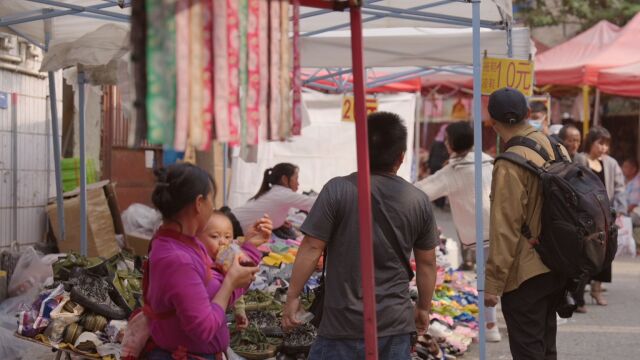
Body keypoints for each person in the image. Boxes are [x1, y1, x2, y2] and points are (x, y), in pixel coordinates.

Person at [282, 112, 439, 360]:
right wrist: (423, 307)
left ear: (360, 151)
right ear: (401, 157)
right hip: (394, 324)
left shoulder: (336, 190)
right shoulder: (417, 200)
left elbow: (312, 246)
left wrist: (292, 297)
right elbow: (427, 263)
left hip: (341, 324)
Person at [146, 163, 270, 359]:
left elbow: (225, 284)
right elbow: (203, 329)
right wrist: (230, 284)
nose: (213, 207)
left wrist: (250, 246)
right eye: (212, 200)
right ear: (199, 203)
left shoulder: (190, 243)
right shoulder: (178, 259)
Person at [484, 88, 567, 360]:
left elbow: (504, 229)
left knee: (528, 351)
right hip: (556, 263)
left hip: (525, 273)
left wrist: (493, 285)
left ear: (491, 122)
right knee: (546, 348)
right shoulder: (557, 148)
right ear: (529, 115)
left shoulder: (509, 163)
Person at [414, 121, 501, 342]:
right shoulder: (489, 161)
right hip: (503, 225)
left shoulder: (454, 170)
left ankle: (491, 327)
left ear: (450, 143)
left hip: (479, 229)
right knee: (500, 274)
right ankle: (497, 323)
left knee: (485, 276)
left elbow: (422, 191)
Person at [573, 127, 627, 307]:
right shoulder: (580, 159)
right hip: (585, 216)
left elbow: (619, 187)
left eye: (606, 145)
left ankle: (597, 289)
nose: (603, 148)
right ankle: (579, 295)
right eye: (600, 143)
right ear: (591, 142)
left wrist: (619, 208)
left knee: (606, 253)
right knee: (584, 253)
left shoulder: (611, 163)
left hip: (605, 215)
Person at [198, 210, 272, 331]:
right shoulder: (200, 265)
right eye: (214, 236)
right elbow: (229, 285)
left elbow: (235, 285)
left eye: (227, 237)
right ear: (197, 237)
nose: (222, 241)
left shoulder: (227, 258)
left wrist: (239, 310)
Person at [231, 163, 316, 238]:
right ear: (285, 179)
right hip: (232, 225)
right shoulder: (283, 194)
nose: (298, 183)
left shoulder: (275, 192)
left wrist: (280, 221)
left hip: (232, 221)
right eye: (296, 178)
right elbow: (313, 203)